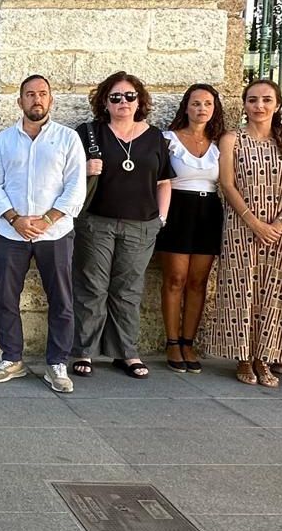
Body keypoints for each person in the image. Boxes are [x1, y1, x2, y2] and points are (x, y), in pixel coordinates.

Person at [200, 79, 282, 387]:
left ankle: (265, 357)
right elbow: (227, 183)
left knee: (276, 291)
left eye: (266, 100)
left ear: (278, 104)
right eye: (252, 100)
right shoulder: (232, 138)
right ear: (244, 104)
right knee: (242, 289)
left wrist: (279, 223)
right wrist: (253, 222)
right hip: (241, 225)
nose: (259, 106)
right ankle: (243, 357)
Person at [0, 76, 87, 390]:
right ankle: (11, 359)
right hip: (11, 232)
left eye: (42, 93)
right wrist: (15, 218)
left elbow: (75, 186)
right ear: (20, 101)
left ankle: (57, 363)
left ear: (50, 100)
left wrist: (47, 219)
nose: (36, 99)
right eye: (30, 94)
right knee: (5, 297)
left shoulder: (67, 139)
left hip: (54, 233)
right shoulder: (4, 140)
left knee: (61, 299)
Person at [71, 71, 174, 379]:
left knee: (128, 290)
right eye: (115, 97)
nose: (123, 102)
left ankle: (126, 352)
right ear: (105, 102)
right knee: (92, 287)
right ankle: (85, 350)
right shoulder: (89, 132)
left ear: (139, 101)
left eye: (130, 96)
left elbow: (164, 181)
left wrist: (161, 219)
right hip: (96, 222)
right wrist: (84, 168)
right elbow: (64, 173)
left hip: (141, 225)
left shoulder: (155, 137)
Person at [154, 83, 226, 373]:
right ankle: (172, 342)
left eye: (207, 104)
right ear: (186, 107)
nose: (201, 109)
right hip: (177, 209)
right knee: (175, 278)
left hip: (208, 211)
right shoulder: (168, 139)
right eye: (196, 103)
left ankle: (188, 342)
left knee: (198, 281)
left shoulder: (220, 143)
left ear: (214, 109)